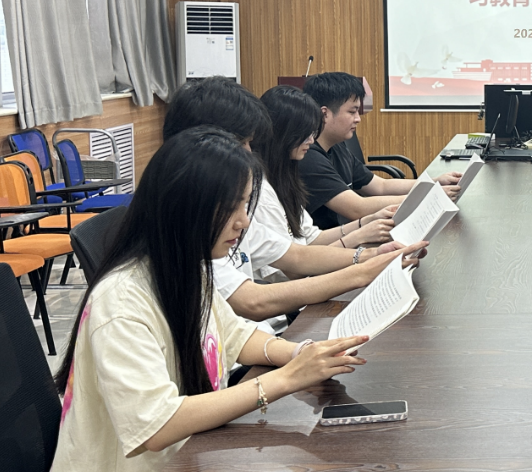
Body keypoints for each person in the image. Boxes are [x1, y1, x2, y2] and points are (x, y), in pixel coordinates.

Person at [46, 127, 386, 472]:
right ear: (185, 205)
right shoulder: (121, 304)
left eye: (246, 204)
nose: (243, 221)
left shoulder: (185, 268)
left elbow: (237, 336)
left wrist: (300, 355)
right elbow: (156, 425)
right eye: (232, 207)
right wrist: (283, 381)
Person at [162, 77, 414, 324]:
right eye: (243, 143)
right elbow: (256, 300)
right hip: (277, 319)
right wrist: (363, 266)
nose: (250, 152)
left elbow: (297, 255)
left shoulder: (253, 194)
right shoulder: (189, 223)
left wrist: (371, 255)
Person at [301, 72, 461, 230]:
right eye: (352, 112)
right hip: (330, 241)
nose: (358, 118)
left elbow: (381, 186)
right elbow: (357, 208)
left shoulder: (337, 147)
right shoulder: (308, 157)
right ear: (324, 114)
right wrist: (429, 196)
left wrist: (434, 182)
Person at [254, 85, 398, 251]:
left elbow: (313, 238)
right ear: (284, 133)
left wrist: (366, 222)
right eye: (305, 133)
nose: (311, 140)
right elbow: (296, 263)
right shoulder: (263, 191)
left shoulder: (285, 177)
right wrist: (360, 238)